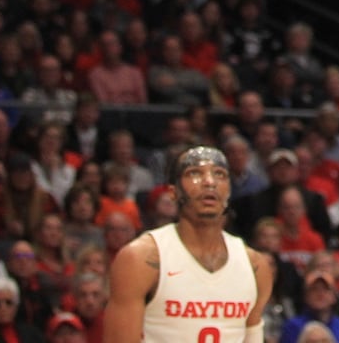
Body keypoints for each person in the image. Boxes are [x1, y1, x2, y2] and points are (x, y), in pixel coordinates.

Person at [102, 145, 274, 343]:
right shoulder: (141, 258)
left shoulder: (255, 266)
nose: (209, 182)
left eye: (219, 174)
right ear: (173, 192)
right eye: (195, 173)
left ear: (229, 190)